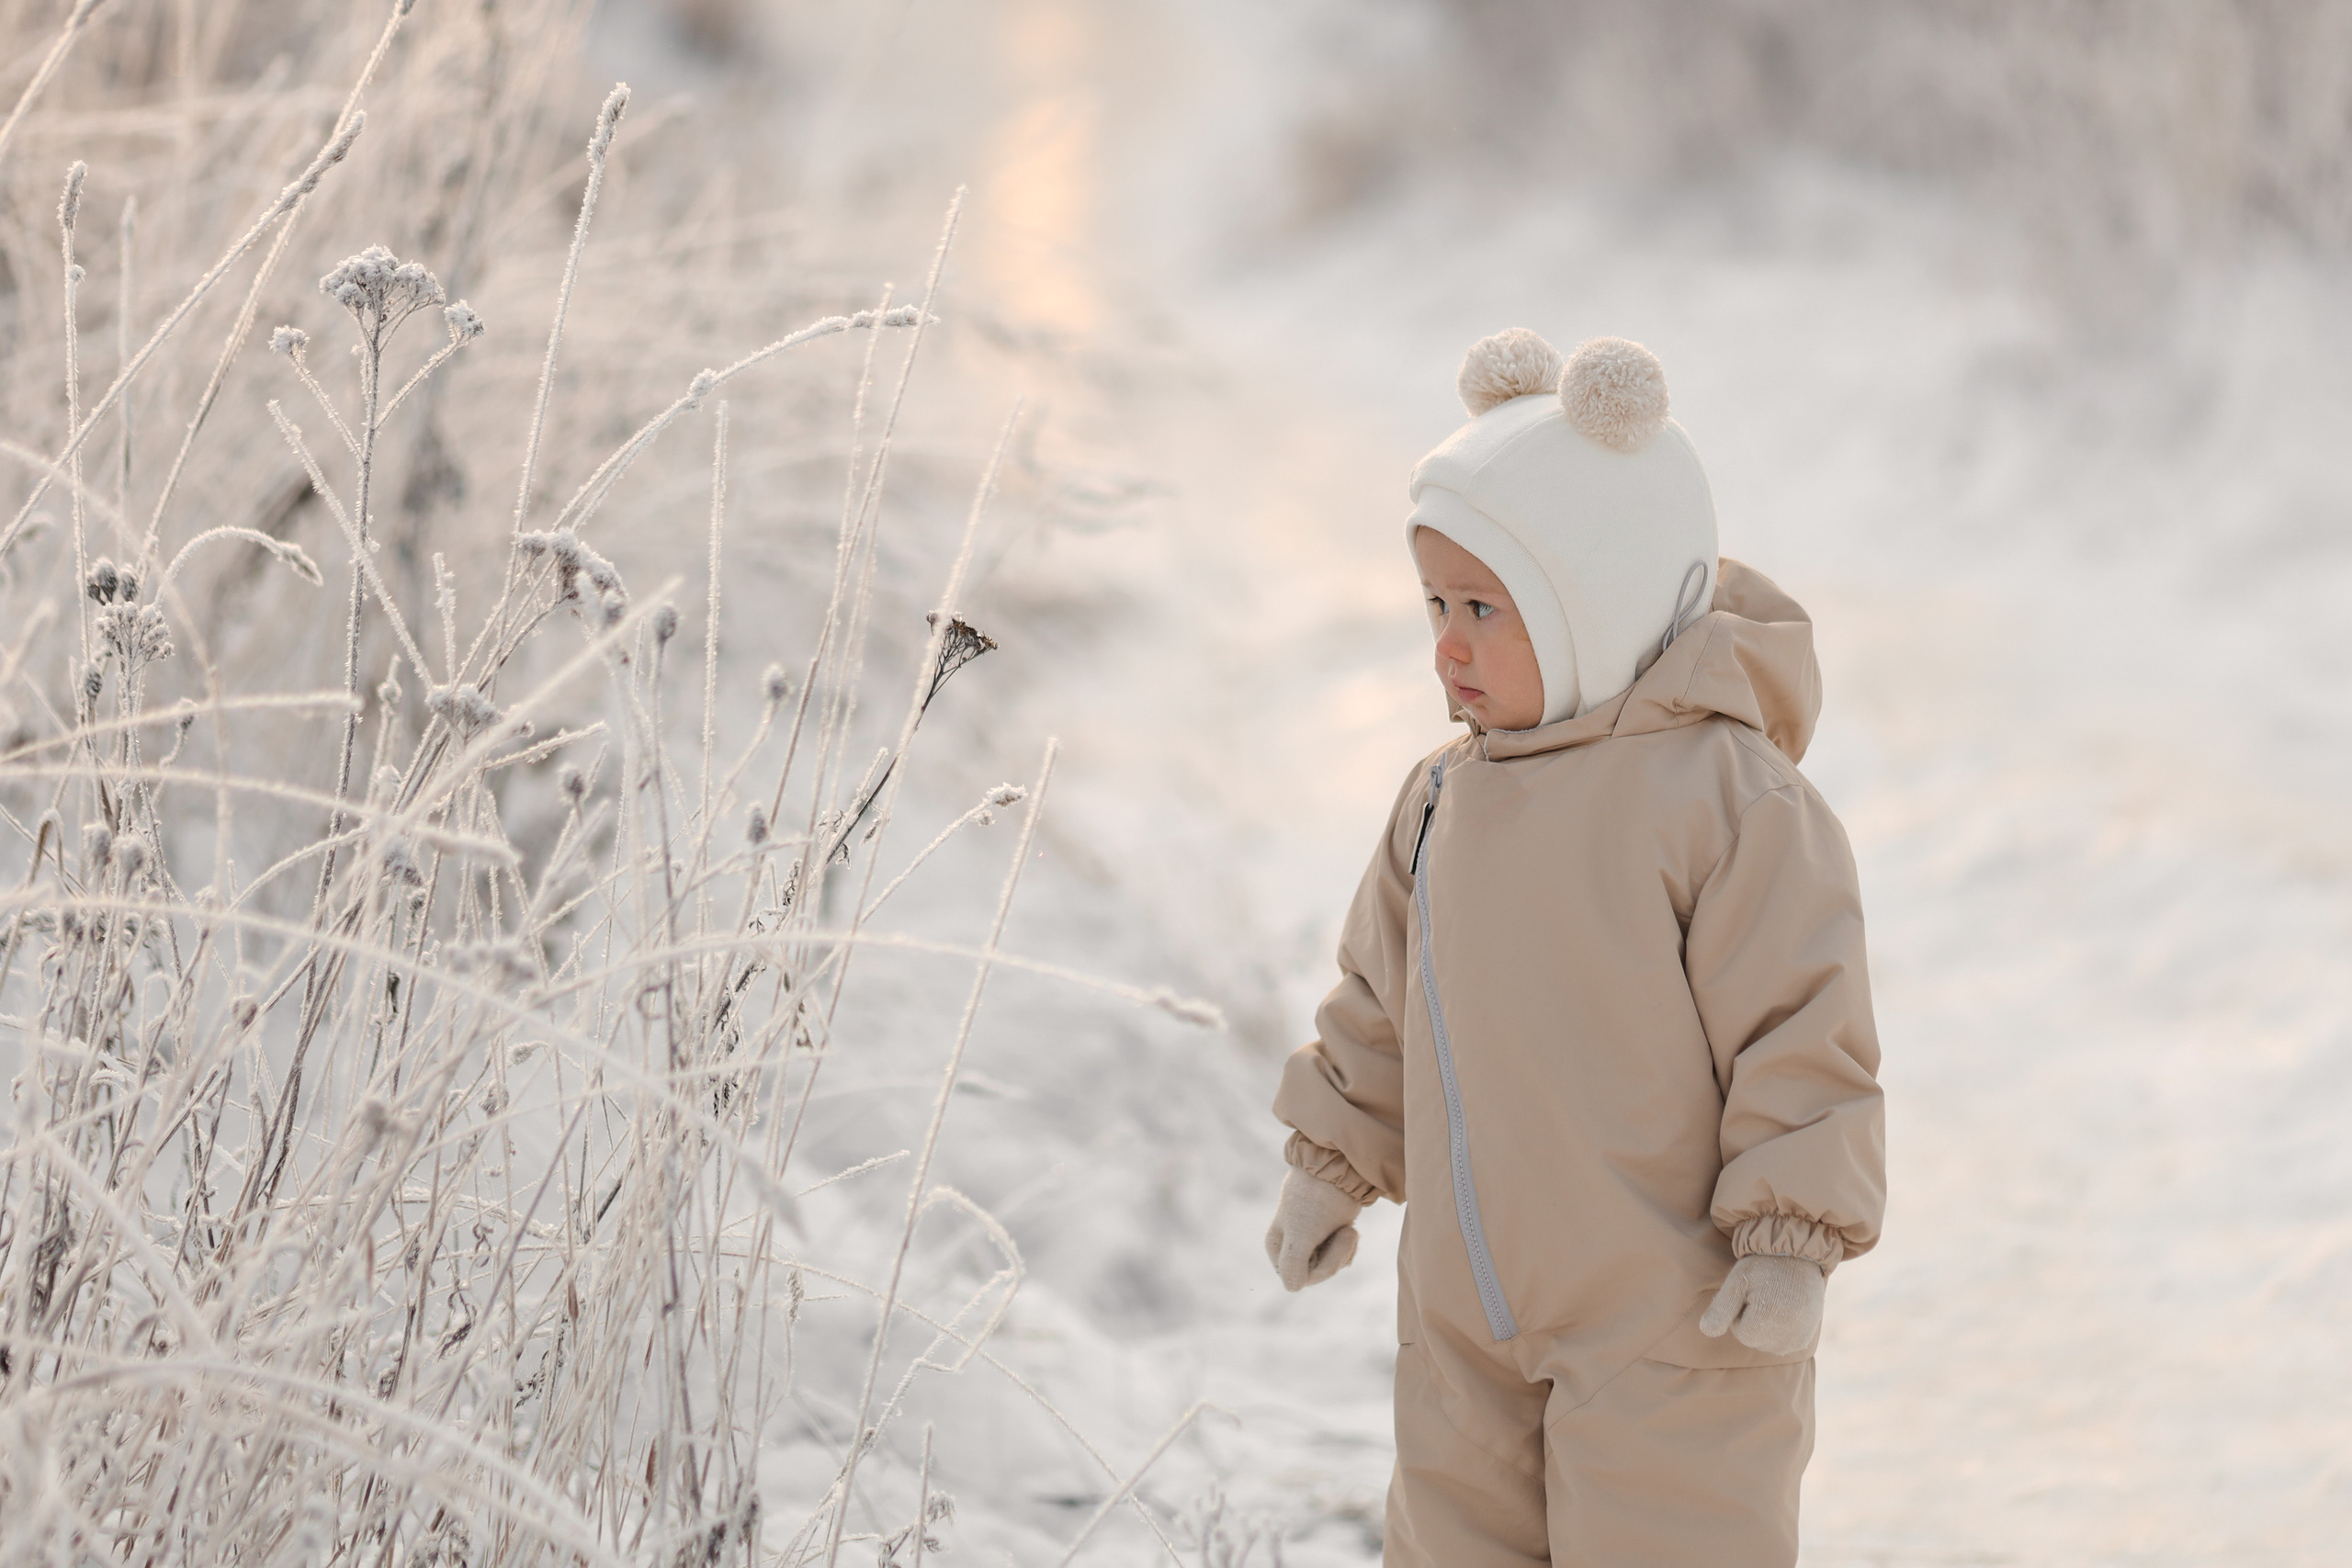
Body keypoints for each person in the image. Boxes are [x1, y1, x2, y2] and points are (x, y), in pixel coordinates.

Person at [1265, 330, 1886, 1568]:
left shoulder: (1724, 801)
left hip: (1673, 1329)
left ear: (1593, 599)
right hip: (1463, 1331)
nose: (1446, 644)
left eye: (1484, 610)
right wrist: (1332, 1162)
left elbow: (1802, 1028)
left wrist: (1788, 1236)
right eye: (1435, 606)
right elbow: (1383, 1006)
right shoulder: (1440, 802)